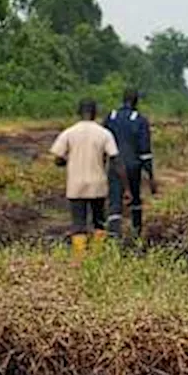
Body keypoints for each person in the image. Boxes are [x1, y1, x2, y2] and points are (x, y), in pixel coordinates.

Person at [50, 98, 130, 256]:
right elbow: (116, 161)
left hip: (76, 184)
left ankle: (79, 258)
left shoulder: (69, 132)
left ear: (79, 112)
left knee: (78, 222)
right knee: (99, 221)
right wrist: (126, 188)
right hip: (97, 184)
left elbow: (58, 159)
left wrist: (69, 160)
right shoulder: (104, 134)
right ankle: (97, 255)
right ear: (95, 113)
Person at [103, 88, 157, 238]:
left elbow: (102, 141)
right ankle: (136, 233)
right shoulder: (140, 120)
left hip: (114, 164)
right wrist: (150, 176)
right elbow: (145, 150)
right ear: (136, 101)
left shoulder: (111, 117)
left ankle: (113, 235)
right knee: (135, 197)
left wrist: (101, 164)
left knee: (114, 200)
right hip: (133, 166)